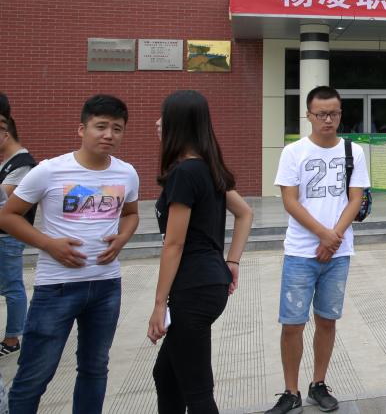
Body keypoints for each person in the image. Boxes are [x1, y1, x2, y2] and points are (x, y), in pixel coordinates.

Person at [0, 95, 140, 414]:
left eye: (117, 128)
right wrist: (48, 244)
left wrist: (122, 238)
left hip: (106, 286)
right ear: (81, 129)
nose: (108, 134)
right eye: (100, 126)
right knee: (35, 374)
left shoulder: (127, 173)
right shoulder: (50, 171)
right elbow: (7, 216)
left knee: (94, 369)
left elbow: (131, 214)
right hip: (57, 287)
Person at [148, 90, 254, 414]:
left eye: (164, 117)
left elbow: (174, 244)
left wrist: (158, 305)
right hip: (209, 284)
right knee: (166, 376)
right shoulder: (209, 168)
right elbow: (245, 213)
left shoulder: (184, 173)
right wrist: (232, 261)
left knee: (197, 393)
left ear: (178, 124)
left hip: (193, 289)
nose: (157, 123)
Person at [267, 86, 370, 414]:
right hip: (301, 252)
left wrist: (333, 238)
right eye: (321, 114)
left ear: (340, 114)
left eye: (334, 113)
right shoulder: (293, 152)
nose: (328, 120)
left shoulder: (354, 152)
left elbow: (356, 199)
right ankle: (290, 391)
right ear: (309, 116)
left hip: (338, 253)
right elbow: (290, 201)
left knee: (327, 321)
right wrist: (322, 235)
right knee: (292, 324)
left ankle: (318, 384)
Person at [0, 114, 34, 360]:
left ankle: (12, 338)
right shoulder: (8, 163)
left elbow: (7, 199)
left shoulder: (22, 163)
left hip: (9, 236)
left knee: (12, 286)